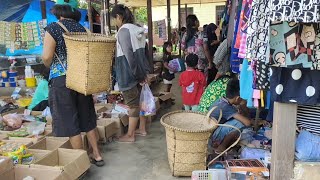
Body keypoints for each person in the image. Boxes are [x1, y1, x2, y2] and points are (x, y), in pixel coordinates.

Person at [42, 0, 104, 166]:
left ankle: (82, 162)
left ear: (58, 13)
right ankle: (97, 154)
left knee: (69, 121)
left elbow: (47, 57)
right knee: (87, 118)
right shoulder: (83, 29)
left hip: (62, 80)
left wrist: (50, 65)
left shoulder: (53, 28)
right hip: (82, 78)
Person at [111, 4, 150, 142]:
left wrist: (138, 75)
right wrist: (144, 73)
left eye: (114, 19)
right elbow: (145, 53)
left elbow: (128, 55)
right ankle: (142, 129)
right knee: (140, 101)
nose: (114, 22)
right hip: (141, 72)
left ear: (119, 17)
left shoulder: (123, 31)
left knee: (133, 105)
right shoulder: (137, 29)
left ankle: (130, 135)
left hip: (129, 74)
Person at [209, 79, 266, 153]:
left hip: (213, 131)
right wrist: (243, 104)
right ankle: (222, 146)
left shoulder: (222, 101)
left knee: (240, 121)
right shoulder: (225, 107)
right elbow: (247, 122)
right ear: (238, 98)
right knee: (239, 123)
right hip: (213, 136)